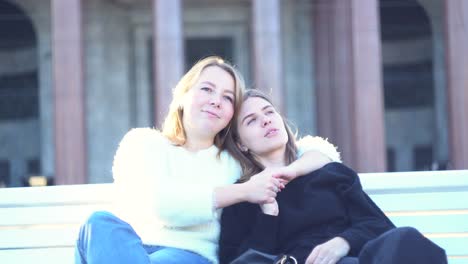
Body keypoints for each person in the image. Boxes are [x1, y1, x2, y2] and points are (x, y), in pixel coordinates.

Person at [74, 56, 341, 264]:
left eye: (227, 98)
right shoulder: (143, 144)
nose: (216, 101)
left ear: (230, 115)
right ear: (182, 96)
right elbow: (160, 205)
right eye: (207, 89)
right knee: (100, 223)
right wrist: (244, 191)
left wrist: (290, 171)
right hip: (127, 250)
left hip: (191, 256)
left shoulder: (235, 160)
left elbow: (321, 150)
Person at [219, 89, 447, 264]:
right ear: (240, 143)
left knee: (406, 239)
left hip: (355, 259)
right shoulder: (242, 197)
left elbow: (378, 225)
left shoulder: (330, 173)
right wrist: (267, 218)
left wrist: (343, 242)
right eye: (251, 120)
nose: (266, 120)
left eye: (269, 112)